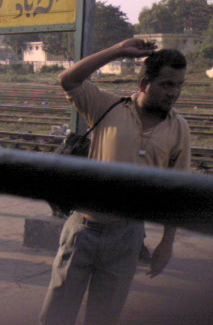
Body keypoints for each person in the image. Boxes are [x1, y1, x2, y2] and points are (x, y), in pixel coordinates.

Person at [40, 38, 191, 325]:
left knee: (105, 315)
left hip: (128, 235)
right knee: (57, 312)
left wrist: (166, 244)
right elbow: (68, 79)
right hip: (84, 229)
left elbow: (178, 190)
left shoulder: (179, 128)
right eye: (167, 85)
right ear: (144, 83)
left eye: (179, 85)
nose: (174, 93)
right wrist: (119, 50)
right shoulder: (108, 108)